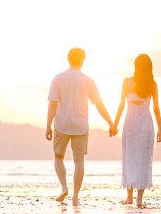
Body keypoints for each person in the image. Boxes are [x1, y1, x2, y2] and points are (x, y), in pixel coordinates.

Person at [46, 47, 115, 205]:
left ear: (68, 59)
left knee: (58, 157)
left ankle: (64, 188)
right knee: (79, 161)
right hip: (81, 126)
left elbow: (52, 105)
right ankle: (76, 198)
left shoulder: (58, 78)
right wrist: (110, 123)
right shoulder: (88, 80)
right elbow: (99, 104)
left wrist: (48, 126)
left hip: (62, 124)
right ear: (82, 60)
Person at [111, 54, 161, 208]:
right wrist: (160, 129)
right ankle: (139, 199)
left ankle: (129, 197)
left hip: (130, 124)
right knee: (143, 160)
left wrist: (114, 125)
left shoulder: (127, 82)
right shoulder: (152, 84)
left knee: (129, 157)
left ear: (136, 66)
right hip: (146, 124)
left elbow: (121, 106)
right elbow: (156, 109)